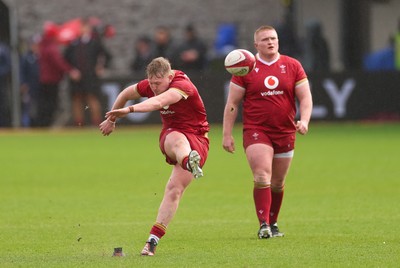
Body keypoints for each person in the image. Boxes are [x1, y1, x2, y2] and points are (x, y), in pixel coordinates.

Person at [99, 57, 210, 256]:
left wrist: (129, 110)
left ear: (169, 77)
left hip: (199, 139)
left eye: (158, 84)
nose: (154, 87)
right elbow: (126, 92)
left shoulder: (182, 86)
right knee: (176, 138)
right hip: (172, 136)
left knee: (174, 190)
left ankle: (152, 240)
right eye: (151, 83)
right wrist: (112, 119)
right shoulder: (152, 84)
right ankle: (188, 161)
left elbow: (158, 102)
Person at [222, 25, 313, 239]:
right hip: (257, 130)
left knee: (278, 183)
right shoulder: (245, 68)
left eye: (273, 38)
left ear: (278, 41)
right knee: (262, 174)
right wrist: (227, 134)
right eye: (265, 40)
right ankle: (263, 224)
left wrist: (305, 121)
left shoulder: (293, 65)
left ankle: (273, 223)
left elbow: (305, 98)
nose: (270, 42)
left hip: (285, 131)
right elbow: (233, 103)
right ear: (256, 45)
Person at [64, 18, 109, 126]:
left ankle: (97, 123)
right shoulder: (73, 43)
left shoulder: (94, 43)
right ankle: (79, 124)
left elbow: (107, 56)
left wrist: (101, 67)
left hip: (90, 76)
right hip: (77, 77)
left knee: (92, 98)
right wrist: (71, 71)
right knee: (77, 99)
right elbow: (65, 59)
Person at [38, 23, 80, 127]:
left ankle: (43, 124)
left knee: (45, 102)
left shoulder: (43, 45)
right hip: (51, 79)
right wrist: (70, 71)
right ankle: (46, 124)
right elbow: (58, 63)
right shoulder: (51, 48)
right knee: (51, 103)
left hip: (44, 79)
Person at [20, 35, 41, 127]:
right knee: (27, 106)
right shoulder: (26, 57)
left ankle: (38, 124)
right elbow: (21, 71)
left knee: (39, 106)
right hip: (29, 86)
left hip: (39, 86)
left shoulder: (40, 56)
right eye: (33, 44)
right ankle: (26, 125)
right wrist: (23, 83)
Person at [0, 39, 11, 127]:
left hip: (1, 81)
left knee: (2, 103)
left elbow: (8, 65)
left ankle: (3, 124)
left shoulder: (3, 49)